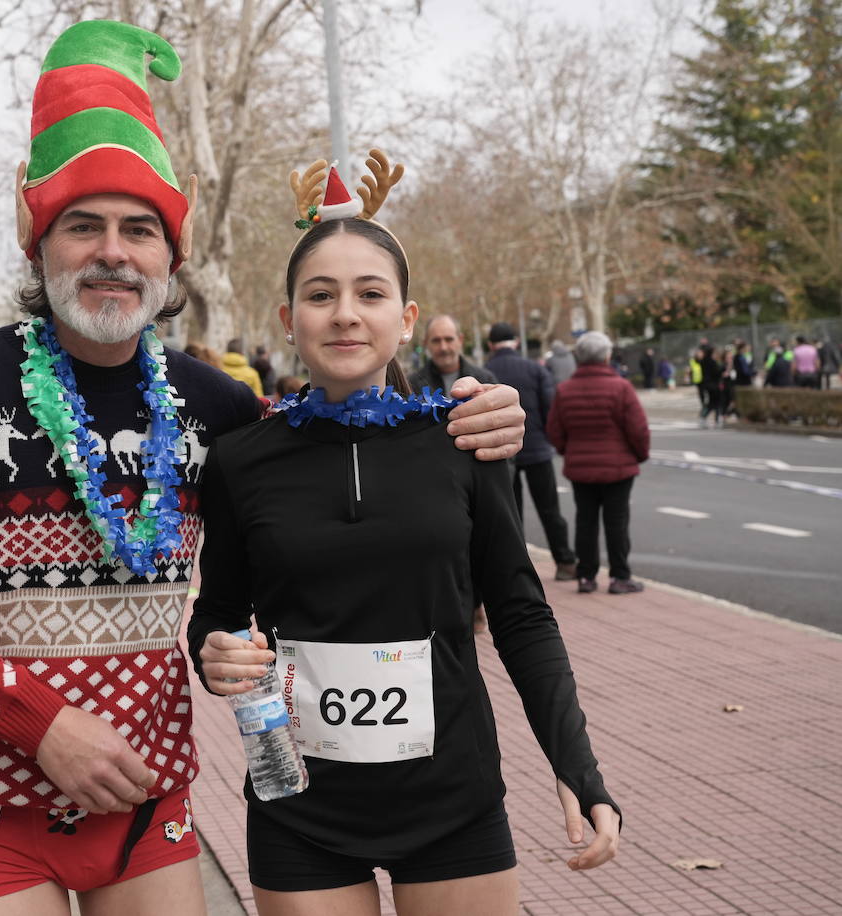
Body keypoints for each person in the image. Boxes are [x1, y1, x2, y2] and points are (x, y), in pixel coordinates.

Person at [0, 21, 526, 915]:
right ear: (36, 239)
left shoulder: (219, 406)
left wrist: (469, 416)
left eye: (139, 230)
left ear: (174, 253)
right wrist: (41, 726)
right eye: (82, 227)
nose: (113, 253)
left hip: (144, 796)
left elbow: (342, 447)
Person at [188, 159, 620, 916]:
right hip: (300, 807)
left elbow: (520, 615)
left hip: (453, 801)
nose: (345, 314)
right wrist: (214, 653)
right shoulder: (239, 461)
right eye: (320, 296)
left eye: (370, 294)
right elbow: (216, 616)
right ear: (288, 321)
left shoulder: (465, 439)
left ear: (408, 318)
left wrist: (576, 766)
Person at [547, 331, 650, 595]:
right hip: (619, 468)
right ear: (606, 356)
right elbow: (638, 430)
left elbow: (555, 430)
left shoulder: (565, 390)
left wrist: (568, 451)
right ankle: (619, 577)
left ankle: (586, 576)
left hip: (581, 469)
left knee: (585, 522)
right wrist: (638, 455)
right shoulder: (622, 388)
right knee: (617, 522)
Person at [486, 321, 578, 580]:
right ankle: (565, 562)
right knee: (550, 509)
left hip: (502, 453)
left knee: (511, 515)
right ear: (515, 341)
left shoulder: (485, 371)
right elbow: (551, 408)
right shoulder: (534, 369)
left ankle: (518, 571)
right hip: (537, 448)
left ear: (491, 345)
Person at [408, 313, 496, 394]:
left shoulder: (485, 380)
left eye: (449, 339)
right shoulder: (411, 385)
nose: (443, 347)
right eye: (436, 341)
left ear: (460, 340)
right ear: (426, 343)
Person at [697, 344, 723, 428]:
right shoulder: (712, 362)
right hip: (713, 385)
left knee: (712, 403)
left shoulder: (703, 361)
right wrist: (722, 368)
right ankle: (716, 419)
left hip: (707, 384)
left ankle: (705, 418)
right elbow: (717, 372)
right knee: (716, 403)